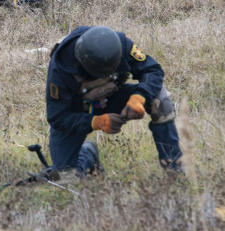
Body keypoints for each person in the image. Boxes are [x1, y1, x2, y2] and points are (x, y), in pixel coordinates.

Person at [46, 26, 183, 175]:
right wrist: (96, 122)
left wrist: (139, 97)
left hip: (113, 97)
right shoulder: (60, 68)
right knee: (66, 176)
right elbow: (57, 117)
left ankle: (174, 167)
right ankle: (88, 153)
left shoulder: (121, 45)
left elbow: (152, 70)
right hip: (79, 110)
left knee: (159, 99)